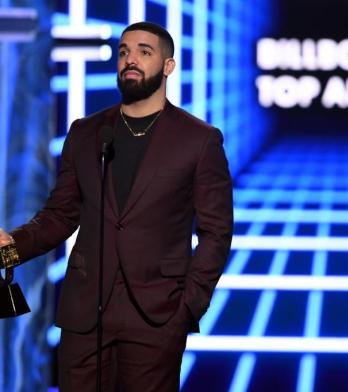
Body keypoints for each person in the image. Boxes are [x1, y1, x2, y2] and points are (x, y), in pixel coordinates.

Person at [0, 21, 233, 391]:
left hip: (157, 316)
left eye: (144, 51)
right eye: (124, 52)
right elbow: (60, 216)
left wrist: (187, 307)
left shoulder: (199, 141)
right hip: (85, 314)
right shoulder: (85, 132)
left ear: (168, 66)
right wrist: (9, 249)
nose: (131, 59)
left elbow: (216, 234)